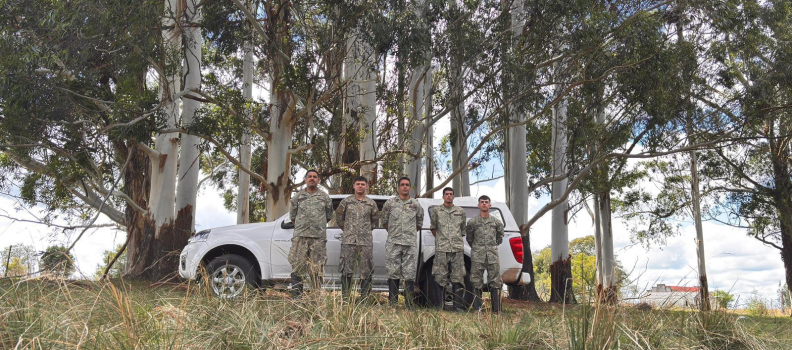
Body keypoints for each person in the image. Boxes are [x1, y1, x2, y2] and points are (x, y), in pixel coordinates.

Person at [288, 170, 333, 298]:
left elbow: (328, 216)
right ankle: (297, 298)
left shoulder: (325, 197)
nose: (312, 179)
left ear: (318, 180)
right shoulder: (298, 196)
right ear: (305, 179)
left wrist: (317, 226)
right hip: (300, 237)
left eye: (315, 177)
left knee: (317, 269)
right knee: (297, 267)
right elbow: (293, 216)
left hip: (318, 238)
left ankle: (315, 298)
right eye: (309, 177)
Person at [381, 176, 424, 309]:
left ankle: (409, 305)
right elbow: (384, 221)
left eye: (407, 185)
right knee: (393, 272)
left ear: (410, 188)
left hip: (409, 244)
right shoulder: (390, 203)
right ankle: (393, 304)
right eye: (402, 185)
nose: (405, 187)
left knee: (409, 274)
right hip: (393, 243)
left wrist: (408, 234)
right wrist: (395, 234)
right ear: (398, 188)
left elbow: (419, 223)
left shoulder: (416, 205)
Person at [335, 176, 379, 302]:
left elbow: (375, 221)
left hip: (365, 242)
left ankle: (364, 299)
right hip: (349, 242)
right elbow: (339, 218)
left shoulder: (371, 204)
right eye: (358, 184)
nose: (360, 186)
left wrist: (364, 232)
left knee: (366, 270)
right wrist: (348, 230)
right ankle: (345, 298)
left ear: (366, 186)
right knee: (346, 270)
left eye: (362, 184)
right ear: (354, 186)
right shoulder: (346, 202)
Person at [429, 187, 467, 311]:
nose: (449, 196)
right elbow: (433, 228)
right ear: (443, 196)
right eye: (447, 194)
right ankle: (440, 306)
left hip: (457, 249)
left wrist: (454, 240)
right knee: (440, 276)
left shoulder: (460, 211)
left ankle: (458, 306)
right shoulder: (437, 211)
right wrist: (442, 240)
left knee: (458, 277)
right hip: (442, 249)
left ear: (454, 196)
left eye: (451, 194)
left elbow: (462, 230)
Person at [466, 195, 504, 313]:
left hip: (492, 255)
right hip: (478, 255)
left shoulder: (497, 223)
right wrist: (478, 248)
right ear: (478, 205)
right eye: (482, 202)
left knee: (495, 281)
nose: (484, 204)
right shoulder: (472, 222)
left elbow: (499, 238)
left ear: (490, 205)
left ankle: (497, 310)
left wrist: (490, 247)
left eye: (486, 202)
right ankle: (478, 308)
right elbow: (469, 238)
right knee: (476, 280)